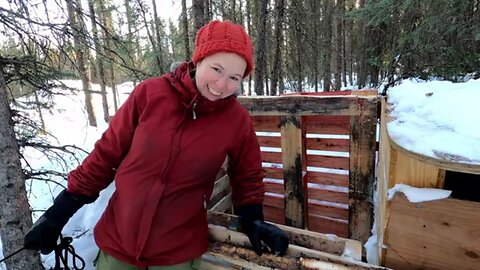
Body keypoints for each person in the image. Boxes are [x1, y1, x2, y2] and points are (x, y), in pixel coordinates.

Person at [24, 20, 289, 270]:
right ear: (199, 60)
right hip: (119, 241)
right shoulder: (150, 94)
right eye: (216, 69)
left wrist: (253, 219)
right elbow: (106, 155)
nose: (222, 85)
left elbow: (248, 174)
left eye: (235, 77)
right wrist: (59, 212)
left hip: (177, 250)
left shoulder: (236, 120)